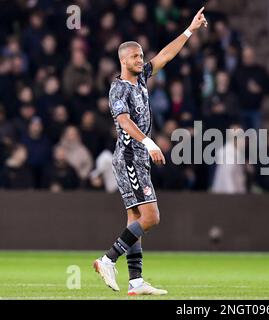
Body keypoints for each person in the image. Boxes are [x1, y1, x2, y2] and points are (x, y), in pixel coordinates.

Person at [93, 7, 208, 296]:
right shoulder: (118, 88)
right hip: (131, 155)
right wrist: (149, 142)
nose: (141, 59)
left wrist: (189, 30)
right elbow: (123, 121)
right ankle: (107, 260)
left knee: (135, 219)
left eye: (142, 56)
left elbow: (166, 55)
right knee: (151, 217)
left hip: (137, 155)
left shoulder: (142, 78)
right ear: (123, 60)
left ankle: (136, 282)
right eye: (135, 56)